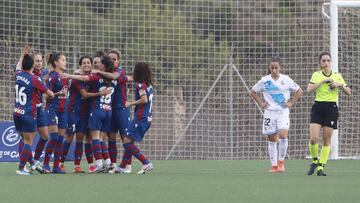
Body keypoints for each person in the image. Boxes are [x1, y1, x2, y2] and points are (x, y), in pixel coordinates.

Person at [62, 55, 116, 173]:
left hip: (89, 111)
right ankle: (60, 163)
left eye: (89, 63)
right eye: (84, 63)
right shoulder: (79, 78)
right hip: (74, 111)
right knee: (70, 137)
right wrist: (100, 94)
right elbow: (85, 95)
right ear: (80, 65)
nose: (86, 64)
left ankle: (87, 165)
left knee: (85, 137)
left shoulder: (95, 76)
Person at [250, 57, 302, 173]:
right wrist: (261, 103)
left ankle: (281, 163)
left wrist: (291, 102)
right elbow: (253, 92)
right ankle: (274, 166)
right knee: (272, 139)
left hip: (283, 112)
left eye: (276, 68)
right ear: (269, 68)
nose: (274, 70)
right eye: (272, 68)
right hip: (269, 113)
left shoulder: (286, 79)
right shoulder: (264, 80)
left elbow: (299, 90)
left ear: (280, 68)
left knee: (283, 135)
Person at [306, 52, 351, 176]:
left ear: (331, 62)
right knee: (313, 138)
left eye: (328, 61)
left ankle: (321, 167)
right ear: (320, 63)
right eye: (323, 61)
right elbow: (308, 90)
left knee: (326, 139)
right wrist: (323, 81)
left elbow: (349, 91)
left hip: (331, 108)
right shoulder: (316, 75)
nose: (326, 63)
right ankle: (315, 161)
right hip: (318, 107)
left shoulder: (337, 76)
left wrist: (339, 85)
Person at [93, 49, 133, 173]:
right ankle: (113, 165)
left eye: (114, 59)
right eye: (110, 59)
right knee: (110, 137)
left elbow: (116, 77)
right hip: (109, 109)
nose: (112, 61)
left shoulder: (119, 71)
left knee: (125, 137)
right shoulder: (104, 73)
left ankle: (128, 165)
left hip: (121, 109)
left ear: (118, 61)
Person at [13, 54, 54, 175]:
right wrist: (54, 94)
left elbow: (17, 67)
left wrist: (21, 56)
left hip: (17, 112)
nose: (39, 63)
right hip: (29, 112)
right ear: (32, 65)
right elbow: (49, 93)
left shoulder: (18, 75)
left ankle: (32, 162)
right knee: (27, 142)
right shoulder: (34, 78)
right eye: (36, 61)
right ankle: (21, 168)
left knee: (30, 138)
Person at [115, 62, 154, 174]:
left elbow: (144, 100)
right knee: (129, 140)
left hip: (140, 118)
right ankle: (122, 167)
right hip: (147, 118)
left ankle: (146, 163)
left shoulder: (140, 85)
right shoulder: (149, 85)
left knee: (127, 142)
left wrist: (130, 103)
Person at [42, 53, 69, 174]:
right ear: (56, 63)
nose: (65, 62)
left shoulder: (66, 77)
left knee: (60, 139)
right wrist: (58, 94)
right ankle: (46, 164)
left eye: (65, 60)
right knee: (54, 137)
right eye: (63, 60)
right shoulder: (52, 77)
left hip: (63, 111)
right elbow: (46, 95)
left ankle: (56, 166)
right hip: (52, 109)